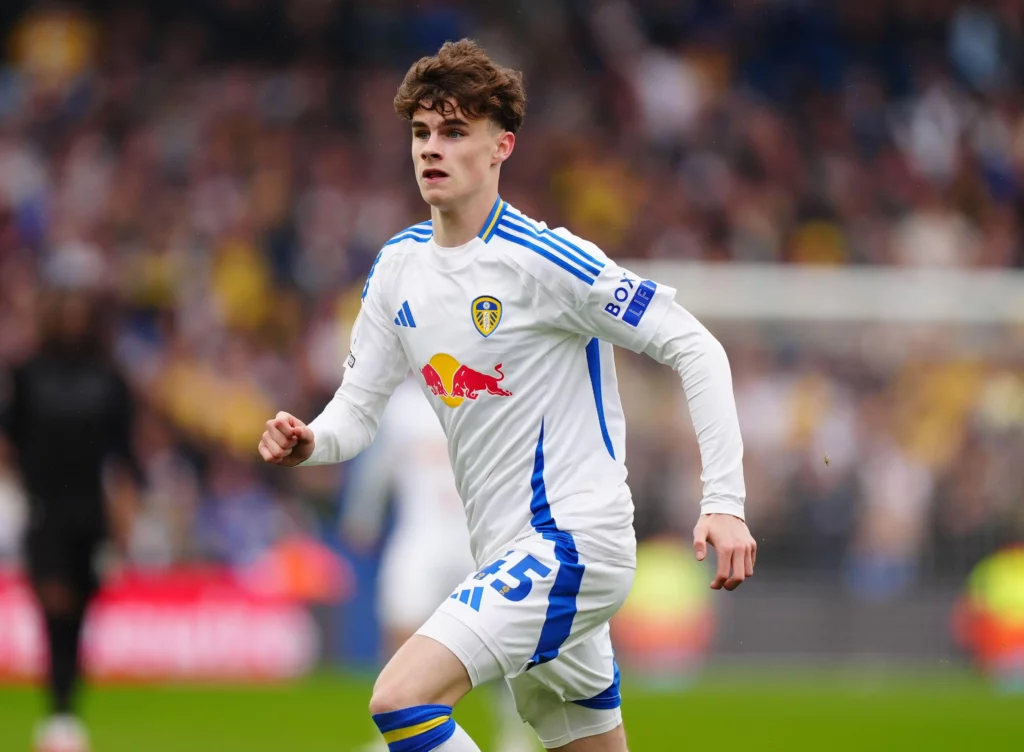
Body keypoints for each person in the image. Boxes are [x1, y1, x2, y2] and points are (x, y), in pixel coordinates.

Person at [259, 39, 755, 752]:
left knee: (401, 700)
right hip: (505, 554)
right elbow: (356, 412)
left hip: (573, 543)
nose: (432, 148)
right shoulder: (398, 269)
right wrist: (311, 440)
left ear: (501, 147)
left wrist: (725, 503)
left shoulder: (545, 261)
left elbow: (695, 345)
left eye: (455, 132)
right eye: (422, 132)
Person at [341, 376, 539, 752]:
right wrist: (363, 514)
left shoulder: (483, 392)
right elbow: (379, 463)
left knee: (502, 635)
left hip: (478, 534)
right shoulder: (401, 405)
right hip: (421, 531)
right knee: (401, 620)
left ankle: (513, 729)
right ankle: (392, 731)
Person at [0, 288, 141, 752]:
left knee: (79, 612)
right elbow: (9, 438)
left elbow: (124, 455)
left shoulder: (107, 379)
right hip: (45, 511)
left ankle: (66, 712)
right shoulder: (28, 376)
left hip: (90, 511)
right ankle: (59, 716)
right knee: (54, 605)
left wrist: (125, 516)